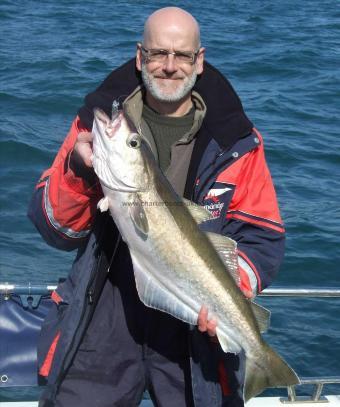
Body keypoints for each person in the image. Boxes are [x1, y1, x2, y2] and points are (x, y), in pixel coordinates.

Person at [28, 7, 285, 407]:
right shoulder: (97, 128)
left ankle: (260, 361)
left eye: (182, 55)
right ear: (139, 57)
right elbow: (55, 230)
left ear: (199, 61)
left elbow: (262, 237)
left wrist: (230, 294)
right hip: (104, 306)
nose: (169, 66)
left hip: (194, 318)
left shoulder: (238, 142)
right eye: (157, 53)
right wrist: (79, 170)